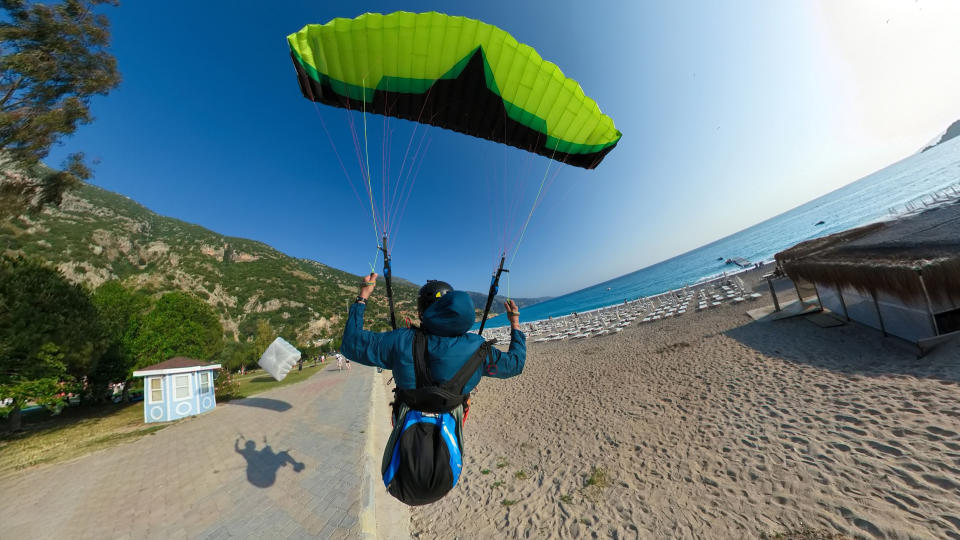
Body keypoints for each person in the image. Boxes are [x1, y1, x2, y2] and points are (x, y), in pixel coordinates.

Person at [341, 273, 526, 397]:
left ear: (422, 311)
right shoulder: (478, 348)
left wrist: (362, 297)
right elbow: (515, 364)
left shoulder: (400, 341)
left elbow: (350, 344)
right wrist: (515, 324)